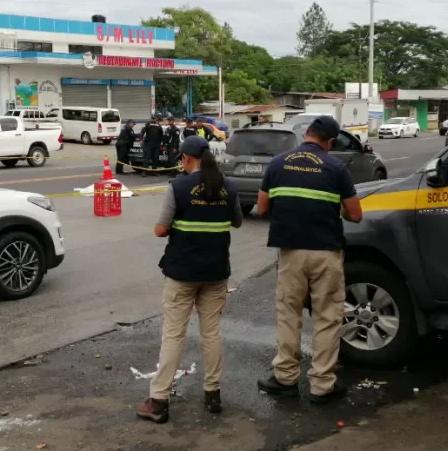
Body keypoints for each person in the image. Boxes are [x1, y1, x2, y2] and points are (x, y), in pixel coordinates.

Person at [254, 115, 363, 404]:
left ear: (307, 134)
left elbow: (262, 208)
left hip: (290, 253)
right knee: (327, 318)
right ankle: (322, 386)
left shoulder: (278, 164)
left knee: (288, 315)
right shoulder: (336, 167)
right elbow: (355, 214)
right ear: (328, 141)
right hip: (326, 253)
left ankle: (285, 379)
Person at [136, 135, 244, 423]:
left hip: (182, 274)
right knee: (211, 333)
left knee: (173, 334)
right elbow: (237, 221)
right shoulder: (229, 187)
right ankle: (213, 394)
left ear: (186, 159)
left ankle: (159, 400)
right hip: (216, 273)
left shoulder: (179, 187)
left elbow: (160, 230)